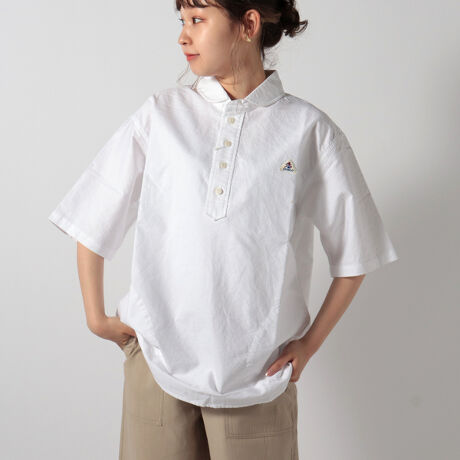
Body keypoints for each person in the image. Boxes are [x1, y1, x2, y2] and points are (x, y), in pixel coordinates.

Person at [48, 0, 399, 458]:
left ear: (247, 24)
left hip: (258, 378)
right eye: (182, 21)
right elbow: (94, 211)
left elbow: (357, 252)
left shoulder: (309, 131)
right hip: (155, 364)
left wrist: (309, 345)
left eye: (197, 20)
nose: (183, 35)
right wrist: (96, 316)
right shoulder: (162, 114)